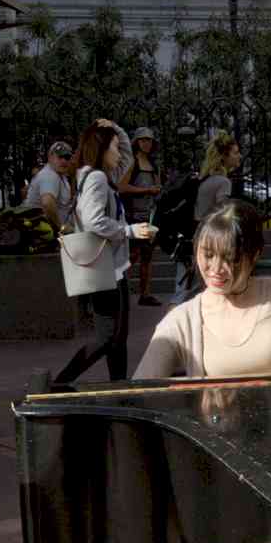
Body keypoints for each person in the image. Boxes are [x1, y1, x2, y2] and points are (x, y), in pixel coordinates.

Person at [134, 201, 271, 378]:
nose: (216, 270)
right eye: (208, 255)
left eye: (232, 259)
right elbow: (139, 391)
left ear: (255, 255)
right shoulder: (183, 319)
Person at [57, 122, 154, 383]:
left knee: (117, 337)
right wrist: (130, 231)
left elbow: (129, 156)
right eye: (113, 147)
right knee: (107, 337)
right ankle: (59, 382)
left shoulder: (95, 175)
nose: (119, 153)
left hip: (108, 267)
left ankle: (119, 387)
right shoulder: (98, 178)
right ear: (101, 150)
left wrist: (117, 130)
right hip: (106, 268)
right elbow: (93, 221)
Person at [173, 132, 241, 305]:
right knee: (191, 294)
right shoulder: (223, 182)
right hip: (205, 242)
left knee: (183, 292)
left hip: (190, 239)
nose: (239, 156)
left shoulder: (205, 179)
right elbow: (222, 215)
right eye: (235, 152)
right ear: (224, 157)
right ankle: (170, 329)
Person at [118, 127, 163, 305]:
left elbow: (158, 186)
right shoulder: (132, 162)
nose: (147, 143)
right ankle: (120, 292)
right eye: (143, 140)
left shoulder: (153, 164)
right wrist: (146, 190)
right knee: (132, 255)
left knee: (147, 255)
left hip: (150, 215)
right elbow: (121, 187)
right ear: (136, 142)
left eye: (149, 140)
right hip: (134, 216)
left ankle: (145, 294)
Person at [24, 140, 76, 232]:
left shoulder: (60, 175)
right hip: (43, 236)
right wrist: (61, 227)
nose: (64, 160)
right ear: (50, 157)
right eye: (60, 156)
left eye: (67, 157)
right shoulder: (50, 175)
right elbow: (47, 203)